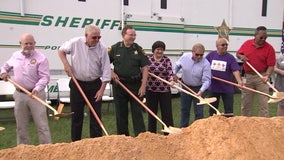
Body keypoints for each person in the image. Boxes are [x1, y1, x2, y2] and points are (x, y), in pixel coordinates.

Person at [58, 24, 111, 141]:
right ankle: (76, 143)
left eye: (99, 37)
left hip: (95, 85)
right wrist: (66, 64)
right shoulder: (75, 42)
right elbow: (61, 51)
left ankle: (96, 143)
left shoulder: (102, 48)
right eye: (94, 37)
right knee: (76, 116)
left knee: (96, 116)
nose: (97, 40)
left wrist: (101, 90)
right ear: (86, 36)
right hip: (77, 84)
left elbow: (106, 71)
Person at [0, 33, 52, 145]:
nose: (28, 45)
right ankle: (23, 150)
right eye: (26, 43)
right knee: (21, 126)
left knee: (42, 125)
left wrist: (37, 88)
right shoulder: (15, 56)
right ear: (20, 44)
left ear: (34, 44)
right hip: (19, 95)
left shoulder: (41, 58)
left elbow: (45, 77)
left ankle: (46, 149)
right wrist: (3, 73)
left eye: (31, 43)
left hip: (36, 94)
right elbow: (5, 66)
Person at [109, 25, 149, 136]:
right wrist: (111, 72)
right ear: (123, 35)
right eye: (130, 35)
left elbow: (145, 68)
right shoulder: (115, 48)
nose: (133, 37)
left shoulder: (138, 49)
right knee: (121, 113)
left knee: (137, 113)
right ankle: (123, 138)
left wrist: (143, 86)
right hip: (120, 85)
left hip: (135, 85)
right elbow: (103, 63)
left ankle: (141, 137)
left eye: (134, 35)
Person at [236, 26, 276, 117]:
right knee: (246, 102)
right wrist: (241, 57)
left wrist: (267, 75)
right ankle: (246, 121)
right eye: (261, 37)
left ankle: (263, 123)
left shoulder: (269, 48)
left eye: (265, 37)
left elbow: (271, 65)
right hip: (248, 77)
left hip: (262, 77)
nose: (263, 39)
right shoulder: (247, 44)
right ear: (255, 35)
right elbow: (238, 53)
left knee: (264, 103)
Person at [173, 43, 211, 128]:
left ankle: (198, 130)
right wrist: (174, 74)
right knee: (184, 109)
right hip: (185, 86)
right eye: (197, 54)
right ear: (192, 52)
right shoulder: (185, 57)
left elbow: (207, 80)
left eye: (201, 55)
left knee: (199, 111)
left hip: (198, 88)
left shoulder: (206, 64)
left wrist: (201, 91)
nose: (199, 57)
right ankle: (183, 128)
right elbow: (177, 66)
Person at [206, 38, 243, 116]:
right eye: (223, 45)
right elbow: (203, 66)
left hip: (227, 88)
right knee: (212, 110)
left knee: (229, 111)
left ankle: (228, 127)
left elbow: (235, 70)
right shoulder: (211, 55)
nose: (225, 46)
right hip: (214, 88)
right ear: (217, 46)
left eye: (226, 45)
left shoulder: (230, 57)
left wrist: (239, 81)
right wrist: (208, 73)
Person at [146, 41, 174, 134]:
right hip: (151, 90)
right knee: (152, 113)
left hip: (164, 91)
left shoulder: (166, 60)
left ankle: (168, 133)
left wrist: (171, 80)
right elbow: (143, 70)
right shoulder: (148, 59)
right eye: (158, 49)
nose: (160, 51)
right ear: (154, 50)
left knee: (167, 113)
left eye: (161, 49)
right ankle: (151, 134)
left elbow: (170, 72)